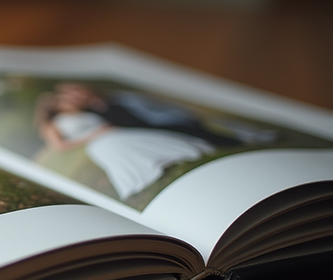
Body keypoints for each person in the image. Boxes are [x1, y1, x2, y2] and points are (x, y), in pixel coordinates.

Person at [35, 92, 214, 200]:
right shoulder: (52, 125)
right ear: (56, 106)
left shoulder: (84, 111)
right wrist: (95, 134)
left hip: (114, 132)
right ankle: (145, 173)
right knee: (118, 148)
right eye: (63, 101)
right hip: (98, 141)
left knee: (141, 139)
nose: (69, 102)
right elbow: (60, 146)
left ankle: (170, 157)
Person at [53, 82, 244, 147]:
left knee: (189, 128)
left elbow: (151, 110)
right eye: (73, 97)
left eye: (78, 92)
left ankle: (233, 141)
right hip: (140, 131)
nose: (79, 97)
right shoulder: (90, 113)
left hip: (156, 122)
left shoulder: (118, 97)